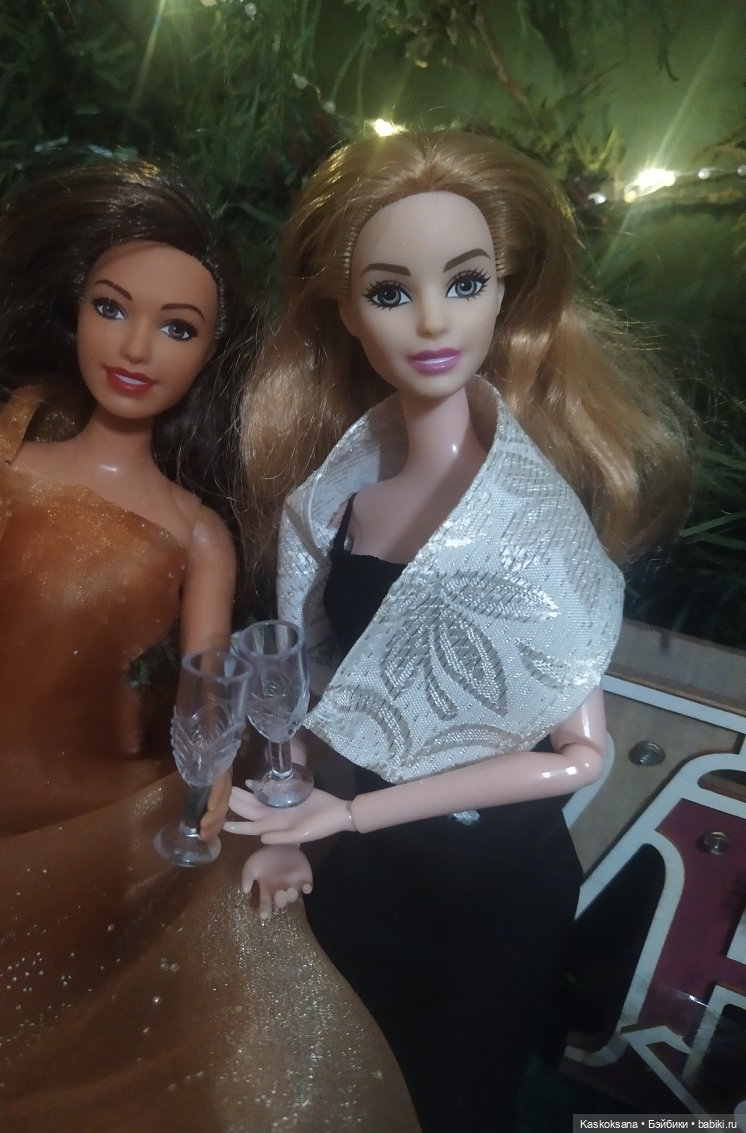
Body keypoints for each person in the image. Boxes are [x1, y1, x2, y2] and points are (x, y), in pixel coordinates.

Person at [0, 161, 420, 1132]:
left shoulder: (196, 532)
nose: (137, 347)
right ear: (74, 313)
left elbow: (202, 687)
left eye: (177, 328)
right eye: (111, 308)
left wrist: (207, 789)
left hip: (68, 811)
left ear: (211, 353)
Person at [228, 129, 695, 1132]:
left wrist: (349, 816)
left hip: (485, 889)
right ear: (346, 312)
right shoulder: (339, 502)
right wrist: (297, 822)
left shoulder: (533, 521)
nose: (434, 319)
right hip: (357, 868)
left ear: (504, 295)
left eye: (466, 282)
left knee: (445, 1100)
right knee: (327, 1088)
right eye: (390, 291)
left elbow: (580, 756)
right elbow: (317, 687)